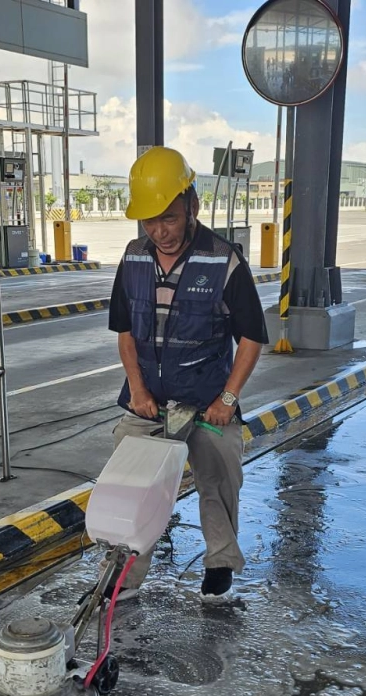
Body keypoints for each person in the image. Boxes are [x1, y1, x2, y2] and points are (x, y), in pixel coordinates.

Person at [107, 146, 267, 602]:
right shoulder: (134, 257)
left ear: (192, 205)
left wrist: (227, 401)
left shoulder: (223, 260)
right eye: (149, 221)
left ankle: (220, 562)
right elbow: (124, 331)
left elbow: (252, 337)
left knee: (219, 478)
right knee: (130, 487)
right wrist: (137, 390)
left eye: (170, 219)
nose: (160, 231)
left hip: (207, 402)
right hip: (148, 402)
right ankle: (124, 577)